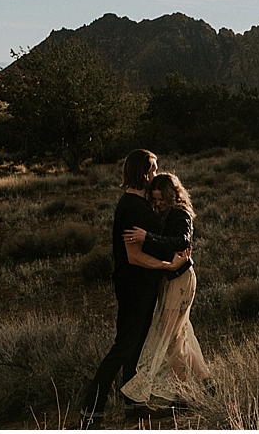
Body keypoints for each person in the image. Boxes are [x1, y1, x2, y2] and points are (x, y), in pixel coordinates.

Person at [79, 150, 189, 430]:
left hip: (142, 286)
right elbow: (134, 256)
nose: (155, 174)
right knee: (123, 346)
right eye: (152, 169)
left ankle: (134, 406)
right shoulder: (131, 206)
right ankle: (91, 410)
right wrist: (166, 266)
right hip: (133, 287)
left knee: (135, 346)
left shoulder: (140, 204)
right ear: (141, 172)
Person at [119, 172, 209, 406]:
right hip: (170, 279)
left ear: (172, 195)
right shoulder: (166, 214)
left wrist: (147, 237)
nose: (158, 203)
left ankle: (183, 393)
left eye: (162, 199)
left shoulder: (181, 214)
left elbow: (181, 241)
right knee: (180, 335)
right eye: (155, 199)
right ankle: (207, 384)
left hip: (180, 280)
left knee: (171, 340)